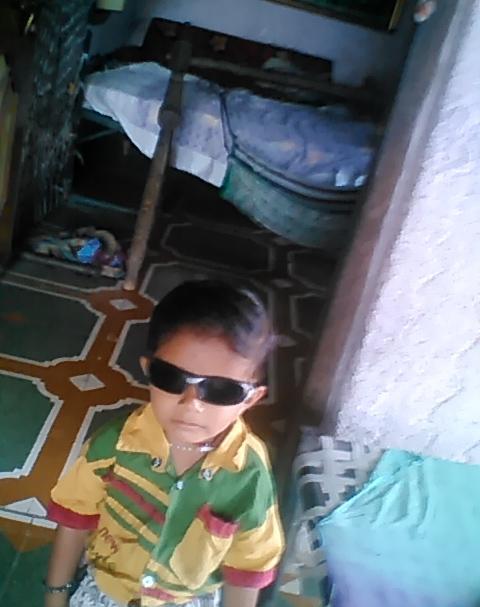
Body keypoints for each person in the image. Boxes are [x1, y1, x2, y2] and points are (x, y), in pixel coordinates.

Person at [45, 280, 285, 607]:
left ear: (250, 399)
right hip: (107, 590)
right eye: (172, 378)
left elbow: (248, 567)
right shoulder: (113, 446)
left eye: (221, 390)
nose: (191, 403)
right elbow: (74, 517)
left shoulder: (250, 478)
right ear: (148, 370)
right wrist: (56, 595)